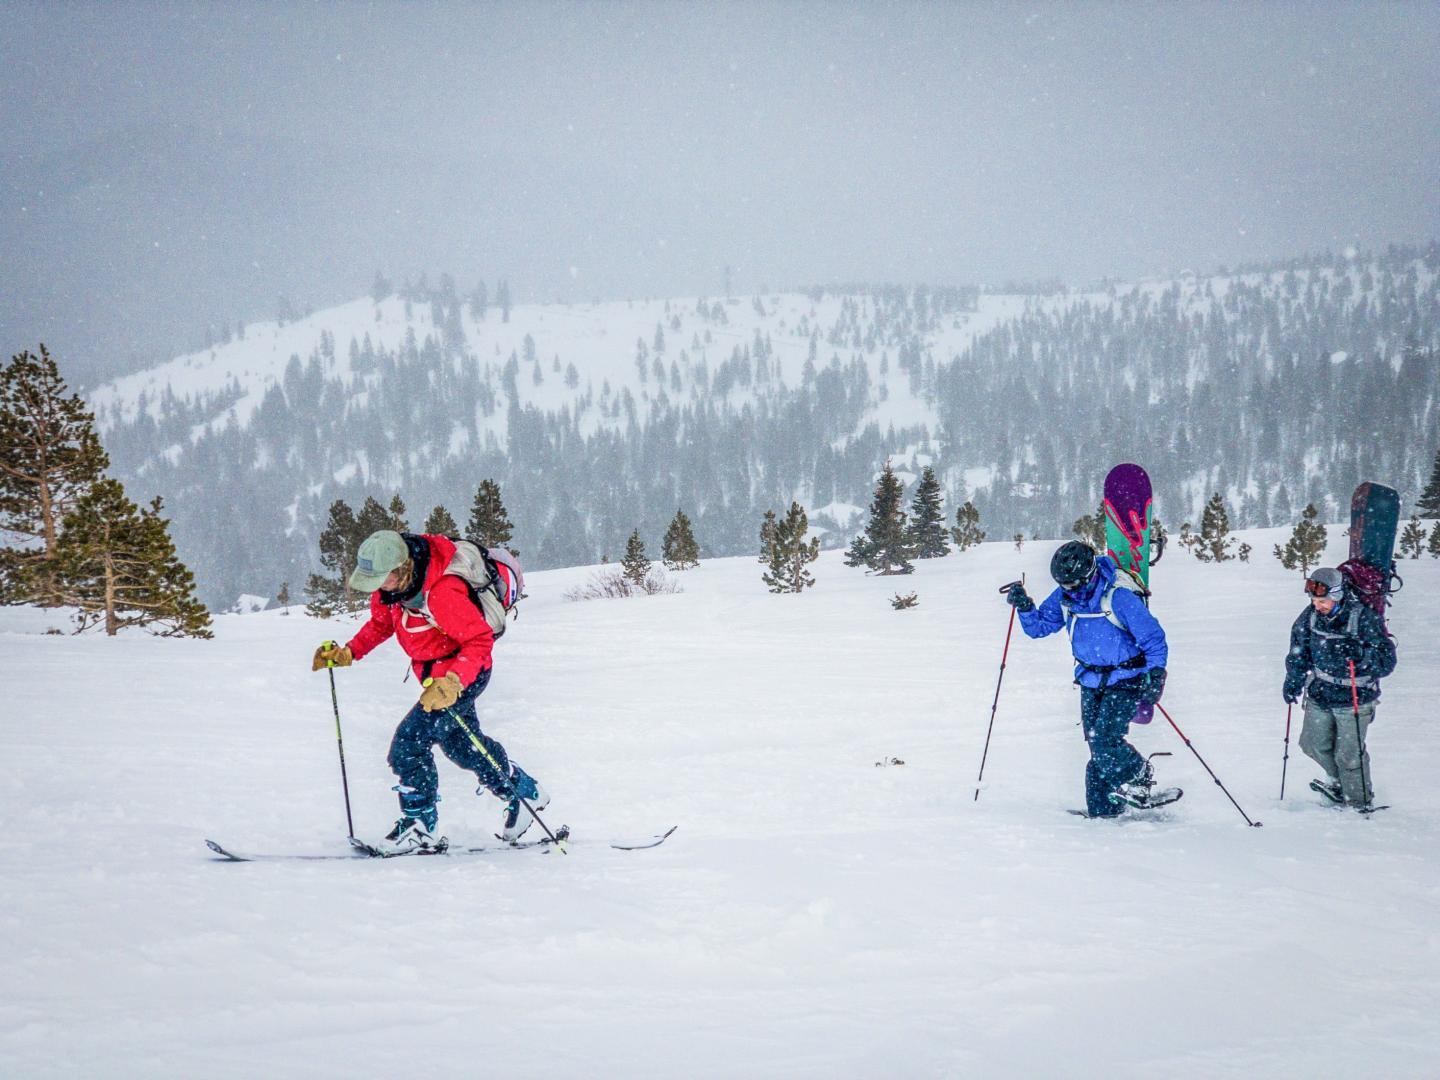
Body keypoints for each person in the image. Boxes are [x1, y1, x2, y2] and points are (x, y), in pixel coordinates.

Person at [311, 529, 547, 849]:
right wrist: (349, 652)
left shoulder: (442, 592)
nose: (379, 586)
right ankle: (522, 791)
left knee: (408, 745)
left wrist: (453, 682)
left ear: (404, 567)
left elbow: (478, 641)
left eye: (383, 578)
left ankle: (420, 823)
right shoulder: (393, 589)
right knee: (461, 747)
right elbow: (382, 624)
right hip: (436, 680)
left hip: (462, 675)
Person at [1005, 541, 1170, 817]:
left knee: (1105, 741)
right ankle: (1104, 814)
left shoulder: (1119, 598)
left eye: (1073, 584)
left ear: (1090, 574)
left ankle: (1139, 773)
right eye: (1064, 584)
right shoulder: (1065, 597)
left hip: (1126, 678)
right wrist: (1024, 607)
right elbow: (1039, 627)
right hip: (1089, 680)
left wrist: (1156, 674)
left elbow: (1154, 640)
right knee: (1097, 745)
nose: (1069, 590)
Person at [1283, 566, 1396, 808]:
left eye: (1322, 600)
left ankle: (1359, 804)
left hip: (1354, 696)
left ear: (1337, 595)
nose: (1317, 605)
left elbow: (1387, 661)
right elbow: (1299, 650)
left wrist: (1363, 657)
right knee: (1311, 744)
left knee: (1349, 756)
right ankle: (1338, 783)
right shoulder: (1311, 616)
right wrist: (1294, 678)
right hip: (1321, 693)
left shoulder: (1362, 617)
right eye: (1314, 600)